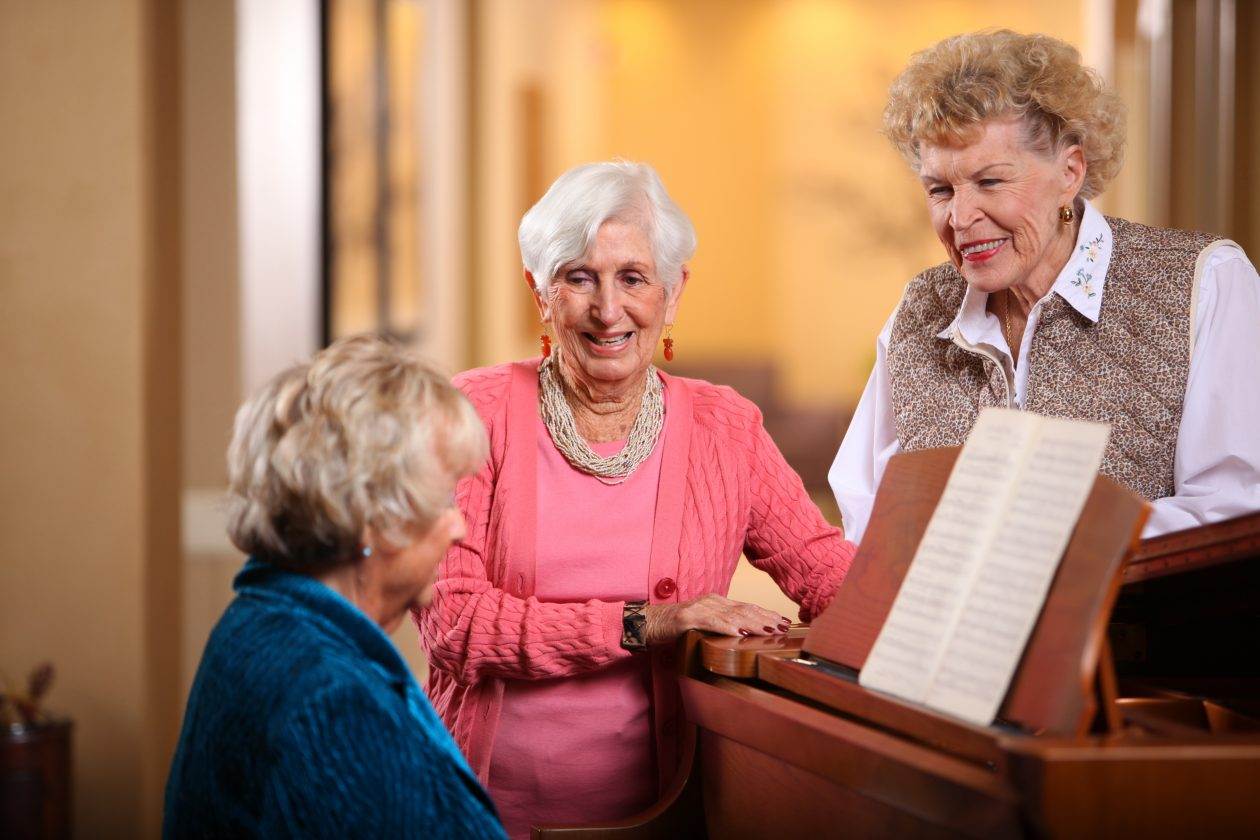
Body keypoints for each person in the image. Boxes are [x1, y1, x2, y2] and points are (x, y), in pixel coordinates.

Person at [415, 160, 857, 837]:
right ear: (540, 292)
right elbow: (454, 625)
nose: (607, 309)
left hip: (665, 815)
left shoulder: (724, 429)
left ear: (674, 292)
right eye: (578, 277)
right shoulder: (474, 411)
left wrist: (929, 627)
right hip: (475, 813)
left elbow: (824, 569)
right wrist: (646, 622)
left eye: (633, 277)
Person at [830, 29, 1260, 544]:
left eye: (990, 182)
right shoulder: (920, 309)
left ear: (1071, 171)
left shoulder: (1205, 281)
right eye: (940, 190)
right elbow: (865, 516)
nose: (961, 218)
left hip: (1141, 622)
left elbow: (1232, 513)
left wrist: (1050, 540)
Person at [164, 335, 505, 839]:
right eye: (443, 501)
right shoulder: (332, 699)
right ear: (373, 520)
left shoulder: (262, 615)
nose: (458, 527)